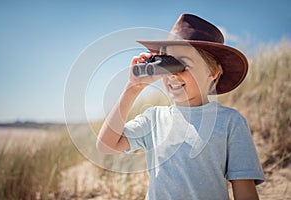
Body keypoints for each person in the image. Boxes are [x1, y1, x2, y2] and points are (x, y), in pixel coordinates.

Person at [96, 14, 265, 200]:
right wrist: (132, 88)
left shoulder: (230, 122)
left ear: (213, 73)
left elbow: (244, 189)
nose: (173, 75)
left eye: (182, 64)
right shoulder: (154, 118)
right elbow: (106, 145)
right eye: (167, 64)